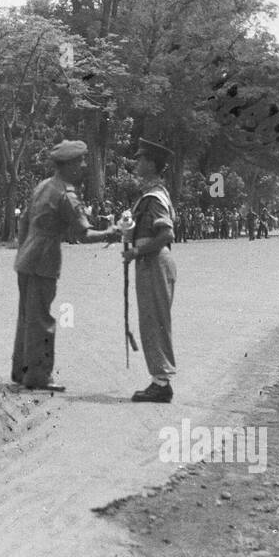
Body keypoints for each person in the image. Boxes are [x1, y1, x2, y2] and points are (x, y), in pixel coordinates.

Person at [11, 140, 122, 392]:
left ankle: (21, 370)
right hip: (44, 257)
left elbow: (24, 221)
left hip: (26, 256)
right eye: (80, 161)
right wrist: (109, 233)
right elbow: (83, 233)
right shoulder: (66, 194)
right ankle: (39, 376)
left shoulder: (43, 186)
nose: (83, 166)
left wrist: (23, 250)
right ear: (69, 165)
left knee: (26, 316)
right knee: (41, 318)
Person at [125, 138, 178, 403]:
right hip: (151, 261)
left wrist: (136, 251)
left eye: (141, 159)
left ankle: (161, 382)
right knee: (151, 319)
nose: (137, 164)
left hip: (154, 261)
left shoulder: (155, 197)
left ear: (151, 164)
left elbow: (165, 233)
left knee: (155, 320)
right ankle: (160, 379)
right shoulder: (152, 194)